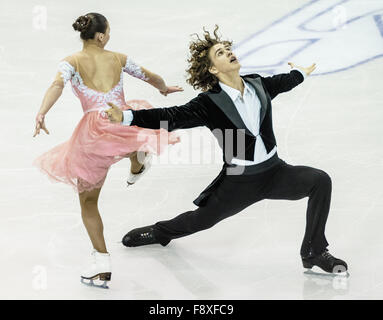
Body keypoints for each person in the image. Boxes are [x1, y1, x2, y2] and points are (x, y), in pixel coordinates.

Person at [106, 26, 348, 275]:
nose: (229, 53)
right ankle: (160, 232)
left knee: (320, 181)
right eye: (220, 53)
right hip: (240, 179)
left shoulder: (258, 84)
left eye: (228, 49)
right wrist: (126, 116)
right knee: (202, 220)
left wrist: (300, 73)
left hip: (276, 172)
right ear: (213, 69)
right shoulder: (209, 103)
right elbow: (170, 116)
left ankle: (313, 251)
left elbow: (283, 82)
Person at [33, 13, 183, 288]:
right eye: (109, 32)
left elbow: (57, 84)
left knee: (89, 202)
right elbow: (149, 76)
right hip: (121, 120)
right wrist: (163, 89)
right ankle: (137, 160)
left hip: (92, 135)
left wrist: (42, 112)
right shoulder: (118, 58)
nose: (110, 36)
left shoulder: (71, 62)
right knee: (135, 134)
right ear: (100, 36)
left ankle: (101, 264)